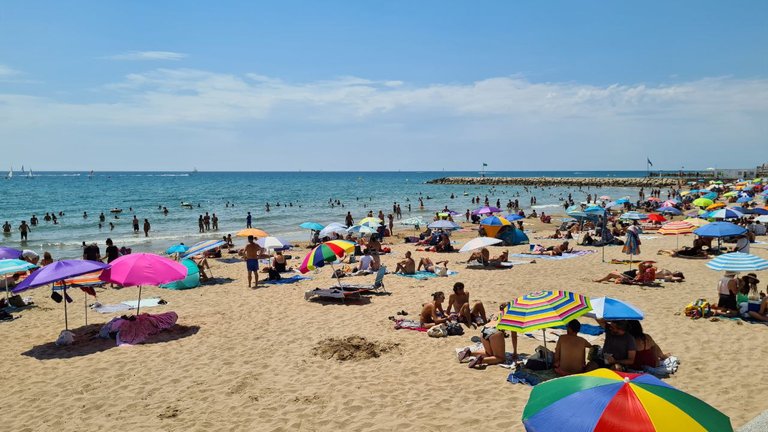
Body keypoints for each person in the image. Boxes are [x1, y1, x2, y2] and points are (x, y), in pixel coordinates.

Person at [459, 303, 517, 368]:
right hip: (495, 331)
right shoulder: (511, 316)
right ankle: (481, 360)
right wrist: (515, 352)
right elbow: (514, 336)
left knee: (489, 354)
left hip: (484, 329)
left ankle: (469, 353)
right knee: (500, 358)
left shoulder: (496, 313)